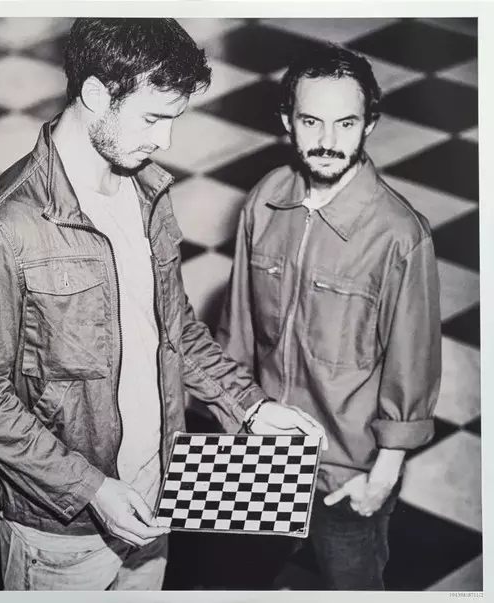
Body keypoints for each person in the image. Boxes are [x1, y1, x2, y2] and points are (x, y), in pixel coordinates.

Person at [0, 18, 324, 591]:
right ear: (96, 94)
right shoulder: (2, 225)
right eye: (152, 118)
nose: (164, 141)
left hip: (155, 497)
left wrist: (249, 407)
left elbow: (173, 328)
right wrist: (93, 489)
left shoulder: (147, 191)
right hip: (62, 529)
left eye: (173, 119)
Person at [216, 44, 442, 590]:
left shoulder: (399, 235)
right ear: (287, 122)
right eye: (310, 121)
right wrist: (234, 430)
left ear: (370, 125)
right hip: (265, 451)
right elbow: (237, 331)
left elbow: (412, 366)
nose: (327, 139)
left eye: (346, 123)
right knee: (245, 576)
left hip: (348, 470)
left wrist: (383, 473)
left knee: (352, 585)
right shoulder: (265, 200)